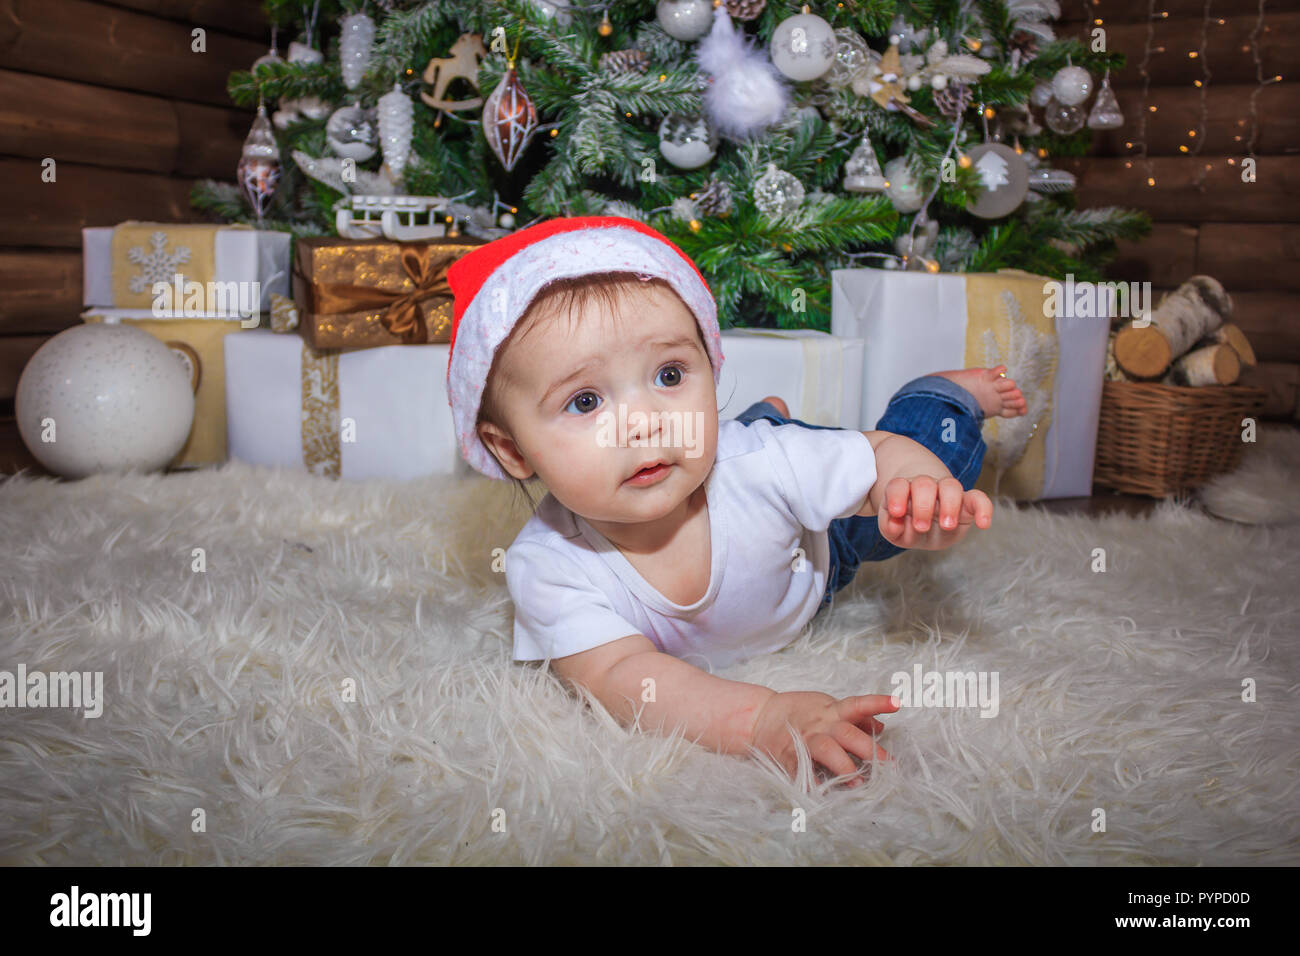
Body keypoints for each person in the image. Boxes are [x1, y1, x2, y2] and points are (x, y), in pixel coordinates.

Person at [445, 216, 1026, 788]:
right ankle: (767, 414)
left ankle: (940, 395)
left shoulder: (757, 466)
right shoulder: (547, 566)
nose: (645, 423)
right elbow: (623, 677)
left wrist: (916, 486)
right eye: (585, 401)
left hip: (813, 551)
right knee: (765, 441)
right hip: (759, 475)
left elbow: (877, 455)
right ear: (511, 451)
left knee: (892, 500)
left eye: (670, 374)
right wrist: (761, 720)